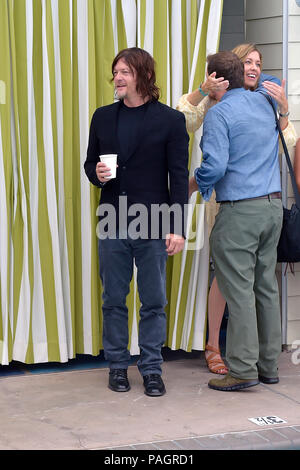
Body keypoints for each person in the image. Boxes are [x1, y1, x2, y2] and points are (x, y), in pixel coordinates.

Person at [177, 43, 297, 376]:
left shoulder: (222, 112)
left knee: (238, 288)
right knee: (265, 288)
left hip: (239, 209)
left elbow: (215, 168)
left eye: (259, 63)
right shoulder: (265, 102)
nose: (255, 68)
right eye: (249, 63)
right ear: (238, 71)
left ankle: (242, 369)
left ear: (218, 77)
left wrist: (192, 185)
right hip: (272, 208)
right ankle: (268, 366)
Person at [84, 47, 189, 397]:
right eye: (115, 71)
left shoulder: (171, 120)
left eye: (124, 72)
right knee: (113, 298)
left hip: (155, 221)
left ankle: (151, 369)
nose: (117, 77)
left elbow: (178, 176)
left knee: (153, 301)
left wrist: (177, 226)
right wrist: (97, 175)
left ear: (143, 75)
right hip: (112, 218)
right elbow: (90, 166)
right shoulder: (101, 117)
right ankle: (116, 367)